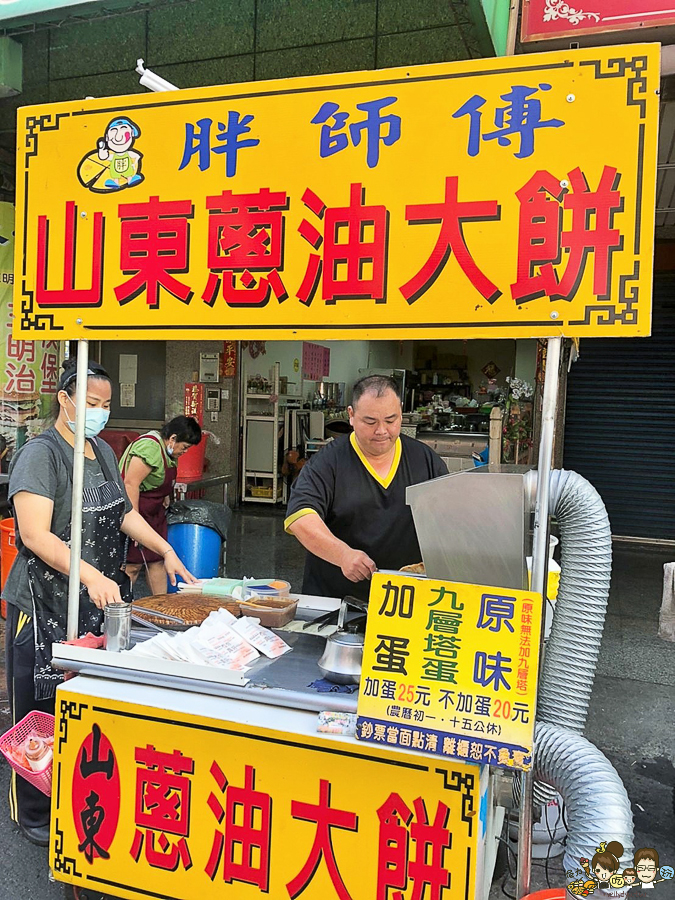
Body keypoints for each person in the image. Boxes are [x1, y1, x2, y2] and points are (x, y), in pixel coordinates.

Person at [2, 360, 195, 846]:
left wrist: (165, 549)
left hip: (91, 603)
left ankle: (73, 797)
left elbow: (124, 514)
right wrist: (89, 574)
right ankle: (34, 815)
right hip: (42, 603)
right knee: (37, 712)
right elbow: (34, 535)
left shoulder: (102, 452)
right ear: (64, 399)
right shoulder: (42, 456)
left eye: (106, 405)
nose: (99, 413)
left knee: (81, 705)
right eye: (91, 404)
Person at [285, 375, 447, 601]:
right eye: (370, 422)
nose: (381, 431)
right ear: (351, 416)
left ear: (401, 412)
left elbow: (449, 519)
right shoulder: (329, 462)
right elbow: (300, 517)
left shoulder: (424, 459)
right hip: (336, 600)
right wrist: (342, 555)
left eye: (391, 420)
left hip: (405, 600)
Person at [121, 416, 202, 595]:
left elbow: (159, 478)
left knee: (156, 559)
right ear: (172, 438)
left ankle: (161, 607)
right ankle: (118, 609)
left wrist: (165, 495)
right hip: (135, 509)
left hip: (154, 513)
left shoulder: (169, 452)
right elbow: (130, 484)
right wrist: (134, 522)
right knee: (133, 565)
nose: (185, 452)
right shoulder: (149, 447)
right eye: (185, 447)